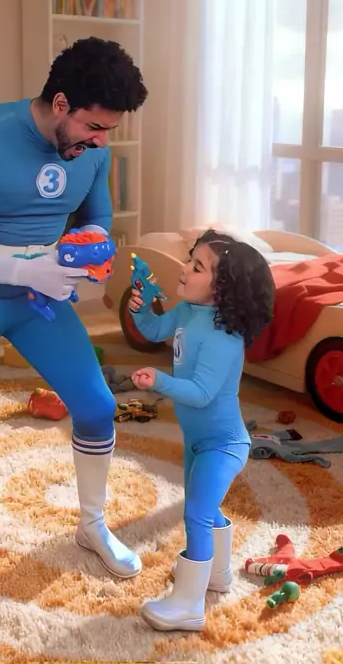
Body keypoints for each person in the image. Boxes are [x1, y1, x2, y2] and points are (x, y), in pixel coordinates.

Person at [0, 36, 148, 589]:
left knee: (97, 406)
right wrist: (26, 271)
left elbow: (96, 220)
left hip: (39, 299)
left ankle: (92, 525)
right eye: (94, 126)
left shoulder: (93, 151)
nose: (101, 141)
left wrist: (86, 256)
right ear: (61, 103)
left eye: (109, 131)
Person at [129, 229, 274, 632]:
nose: (184, 268)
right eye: (190, 260)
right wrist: (141, 309)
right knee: (204, 505)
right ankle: (218, 574)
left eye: (197, 266)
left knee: (195, 514)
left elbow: (201, 393)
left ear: (221, 289)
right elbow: (155, 329)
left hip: (224, 444)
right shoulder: (188, 311)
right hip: (197, 440)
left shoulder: (224, 338)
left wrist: (159, 381)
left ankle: (188, 605)